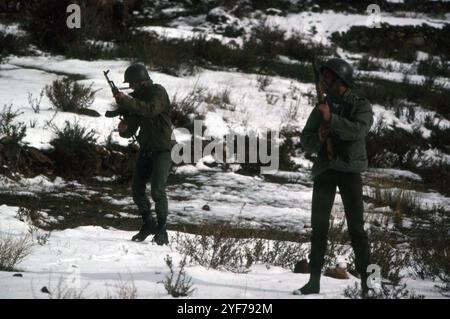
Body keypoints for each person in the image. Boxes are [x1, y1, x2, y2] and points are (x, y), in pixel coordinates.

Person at [294, 58, 374, 296]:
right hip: (325, 171)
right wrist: (319, 135)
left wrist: (332, 119)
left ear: (341, 79)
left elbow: (359, 130)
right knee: (318, 228)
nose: (324, 81)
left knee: (357, 230)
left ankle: (367, 285)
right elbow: (306, 142)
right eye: (324, 76)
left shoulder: (361, 105)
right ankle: (314, 282)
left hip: (349, 172)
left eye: (328, 77)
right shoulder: (322, 106)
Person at [113, 63, 173, 245]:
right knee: (137, 189)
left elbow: (150, 109)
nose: (130, 87)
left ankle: (162, 230)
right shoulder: (137, 100)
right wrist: (123, 129)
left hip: (163, 149)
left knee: (157, 190)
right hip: (146, 149)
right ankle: (148, 223)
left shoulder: (158, 92)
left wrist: (127, 101)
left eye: (132, 83)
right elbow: (131, 129)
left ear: (141, 81)